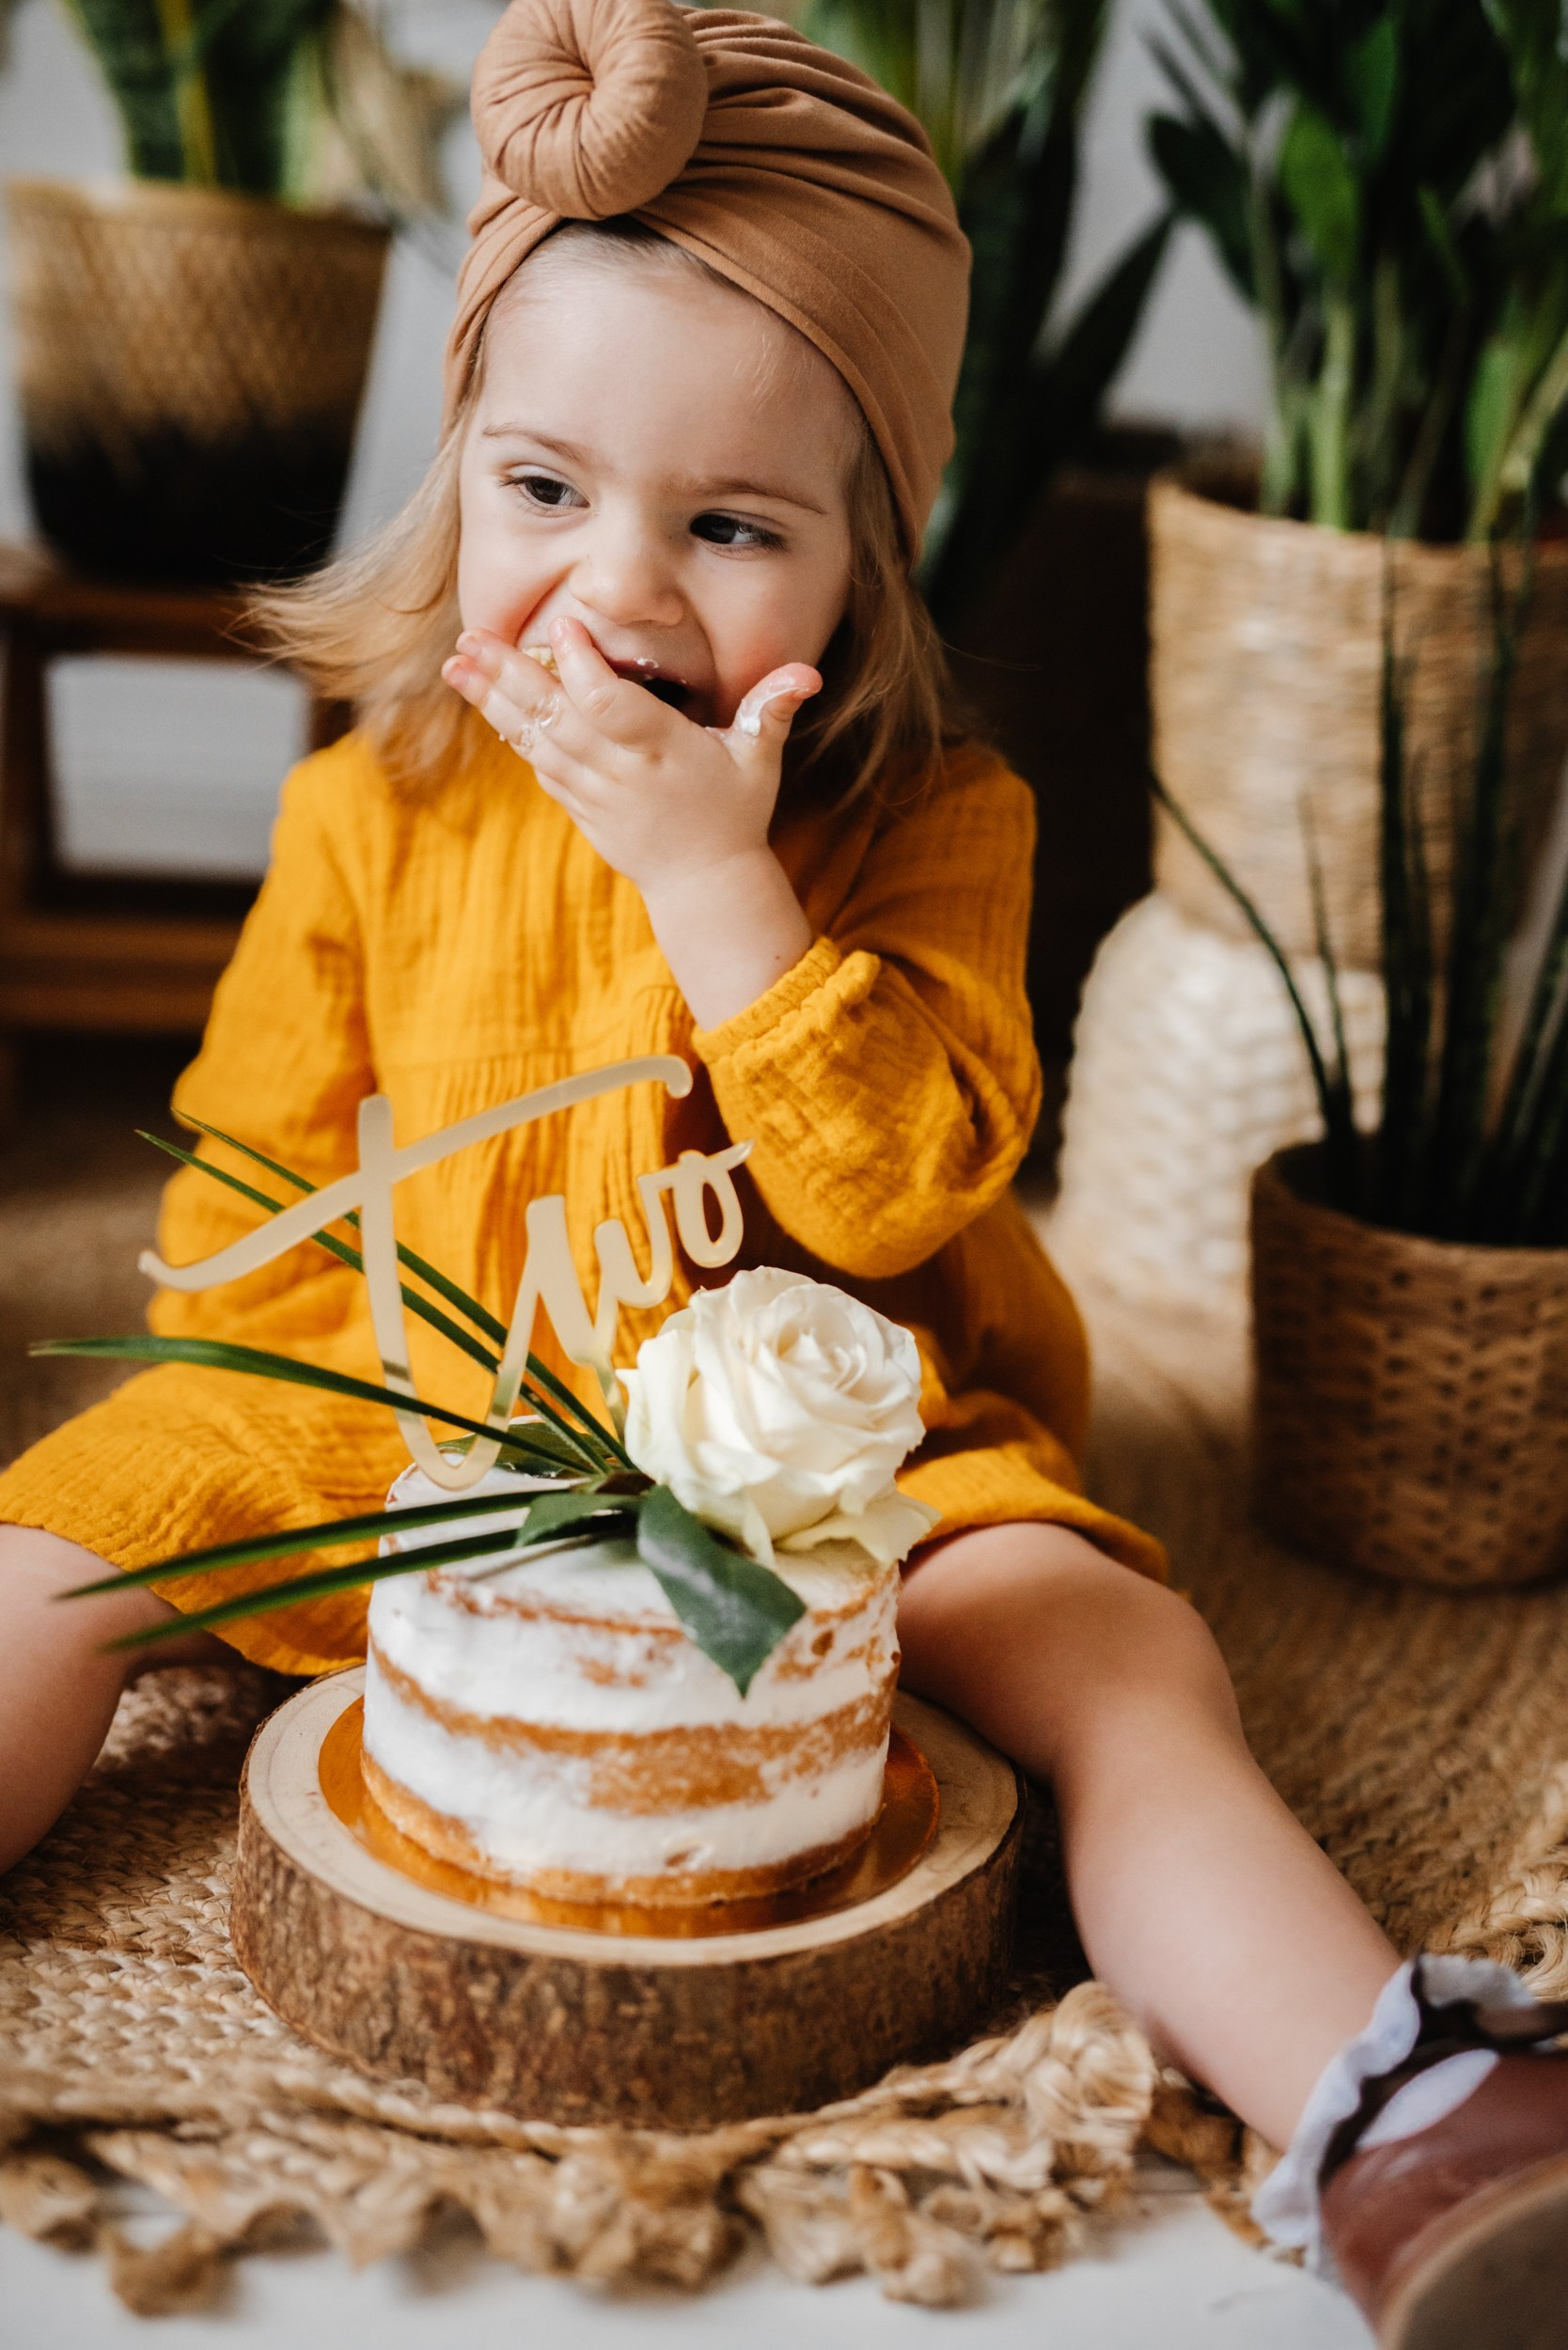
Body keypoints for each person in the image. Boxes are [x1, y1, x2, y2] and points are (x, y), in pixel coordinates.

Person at [0, 1, 1563, 2335]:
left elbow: (901, 1187)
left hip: (836, 1432)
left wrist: (720, 885)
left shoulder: (939, 822)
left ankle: (1397, 2109)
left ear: (861, 567)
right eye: (546, 492)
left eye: (729, 526)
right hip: (413, 1395)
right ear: (460, 476)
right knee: (46, 1550)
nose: (619, 593)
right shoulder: (371, 797)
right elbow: (254, 1149)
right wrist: (222, 1375)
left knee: (1122, 1657)